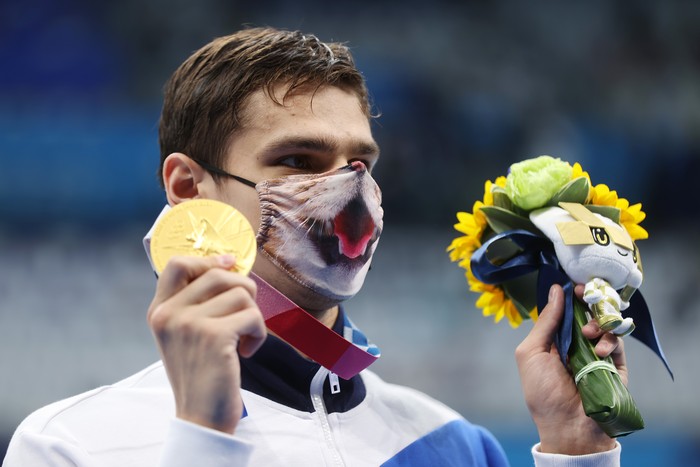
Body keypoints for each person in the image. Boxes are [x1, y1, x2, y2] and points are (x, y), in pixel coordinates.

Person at [3, 27, 626, 466]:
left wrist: (580, 452)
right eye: (300, 161)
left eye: (361, 162)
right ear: (190, 188)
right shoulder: (71, 447)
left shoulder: (453, 444)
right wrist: (203, 437)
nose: (349, 192)